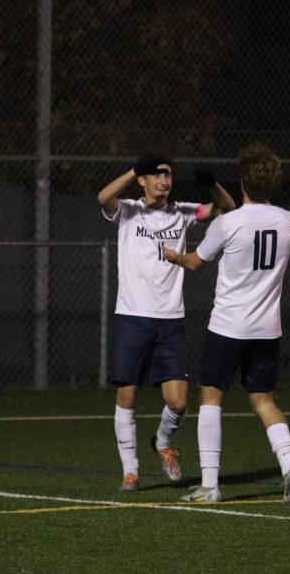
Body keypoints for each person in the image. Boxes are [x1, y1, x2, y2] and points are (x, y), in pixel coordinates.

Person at [162, 142, 290, 504]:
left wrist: (173, 256)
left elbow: (195, 263)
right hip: (267, 330)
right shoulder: (289, 220)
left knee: (210, 397)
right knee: (264, 401)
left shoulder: (227, 223)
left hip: (227, 327)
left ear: (242, 182)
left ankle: (210, 485)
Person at [98, 153, 236, 492]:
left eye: (168, 175)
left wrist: (213, 185)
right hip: (132, 317)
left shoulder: (184, 212)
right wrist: (134, 168)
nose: (164, 180)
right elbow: (103, 197)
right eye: (156, 175)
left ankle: (161, 442)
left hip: (170, 320)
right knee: (127, 397)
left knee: (178, 402)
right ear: (143, 181)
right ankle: (130, 470)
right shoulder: (129, 211)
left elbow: (226, 209)